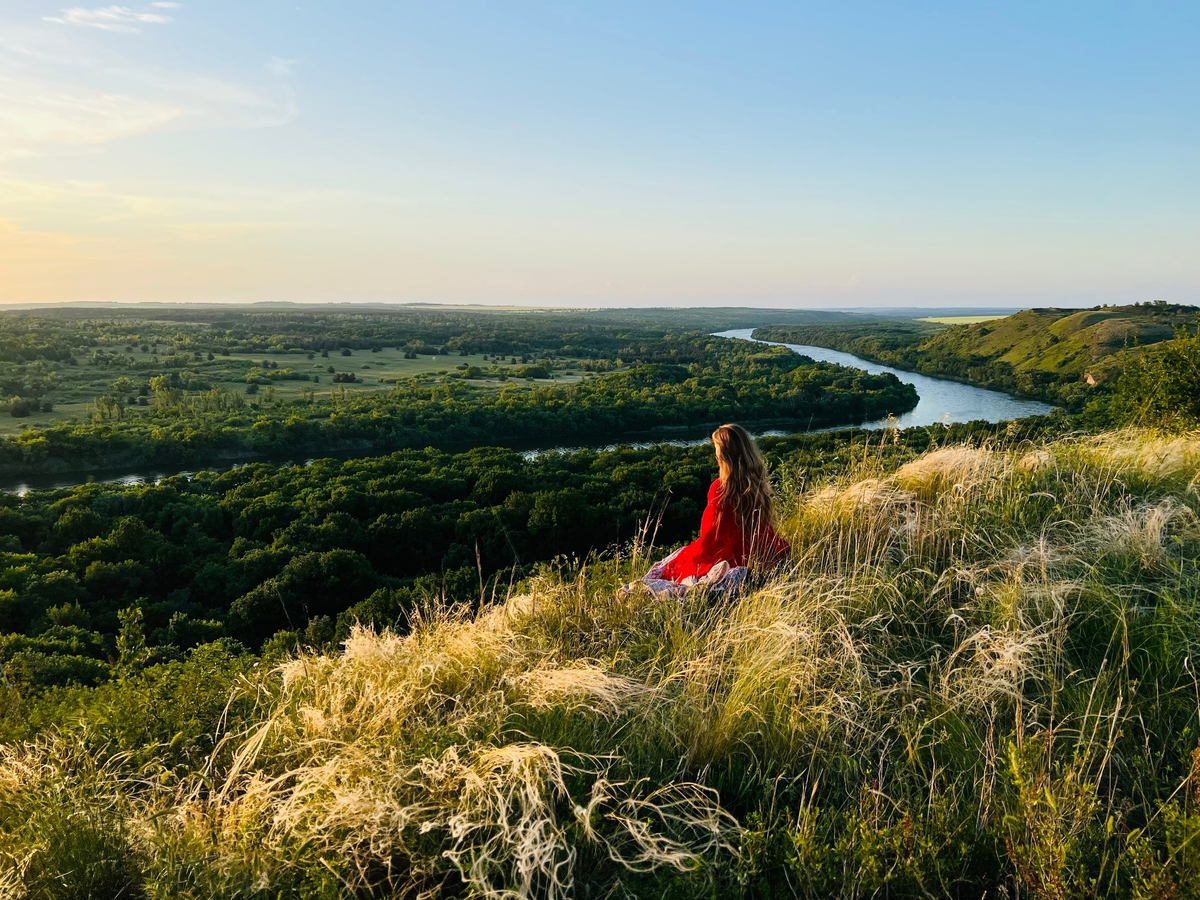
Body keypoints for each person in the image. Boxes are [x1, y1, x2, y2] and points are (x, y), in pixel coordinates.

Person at [637, 424, 789, 596]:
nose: (716, 455)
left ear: (725, 456)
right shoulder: (758, 485)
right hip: (755, 551)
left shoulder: (720, 489)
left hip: (728, 556)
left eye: (717, 451)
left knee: (673, 565)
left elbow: (709, 536)